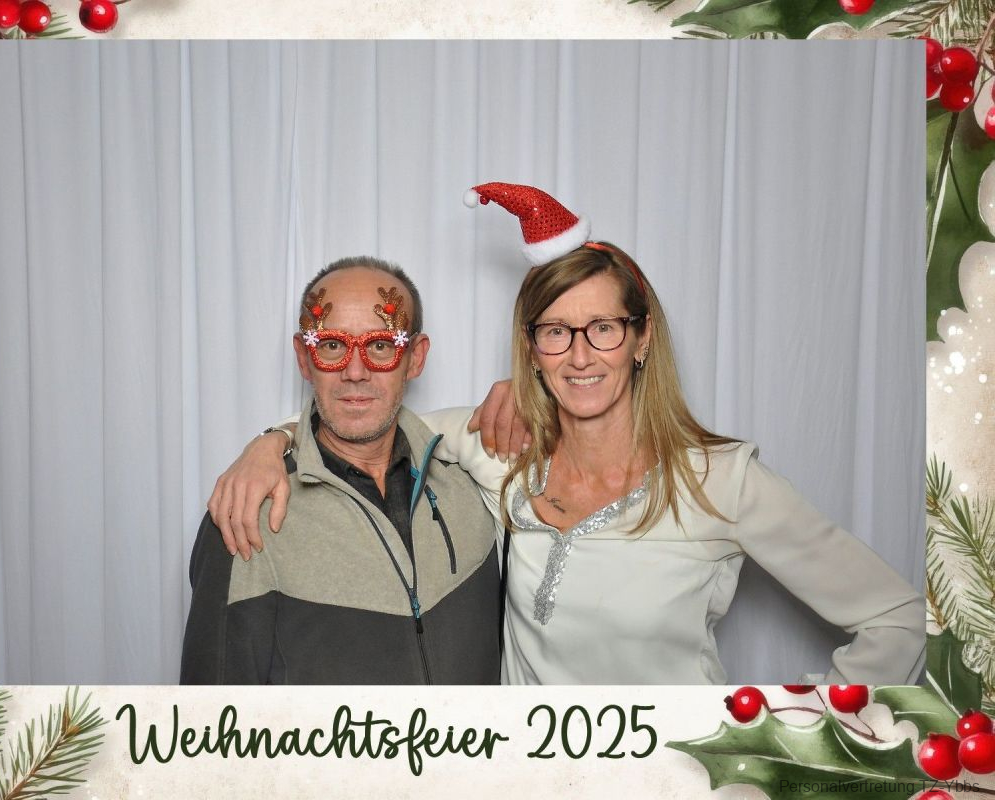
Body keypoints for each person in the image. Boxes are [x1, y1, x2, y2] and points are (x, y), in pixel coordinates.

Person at [211, 183, 925, 685]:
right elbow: (367, 414)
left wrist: (779, 744)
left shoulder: (721, 481)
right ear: (532, 348)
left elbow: (896, 618)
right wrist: (270, 444)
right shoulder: (502, 454)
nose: (580, 356)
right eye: (555, 331)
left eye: (602, 327)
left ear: (641, 338)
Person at [180, 256, 502, 684]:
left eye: (381, 345)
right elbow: (211, 713)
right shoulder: (247, 514)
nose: (355, 372)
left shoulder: (470, 485)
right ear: (304, 356)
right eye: (332, 345)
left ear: (415, 357)